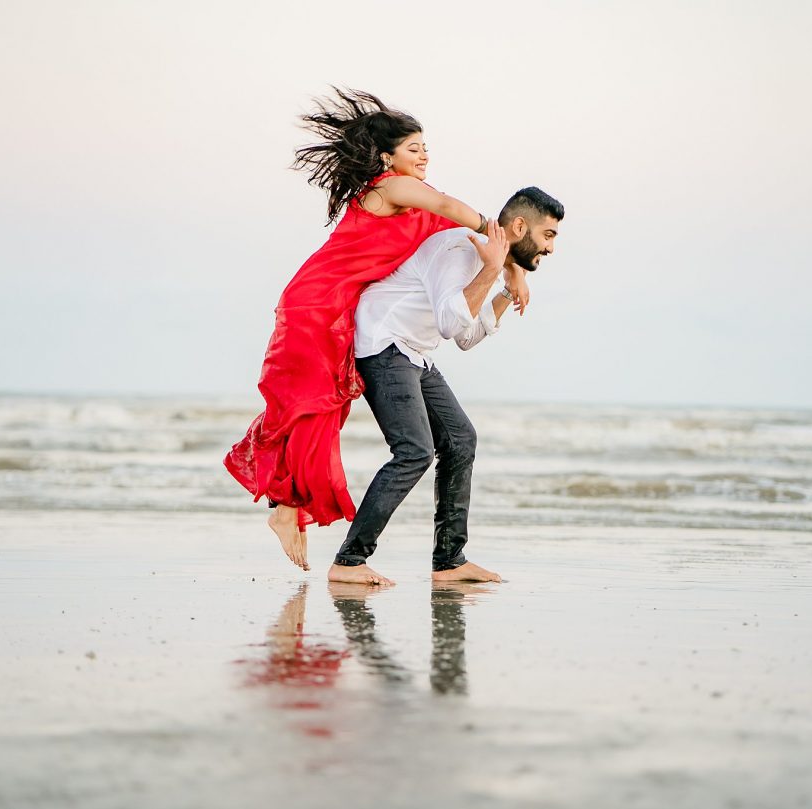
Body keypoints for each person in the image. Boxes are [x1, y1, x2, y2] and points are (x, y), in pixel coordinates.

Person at [224, 89, 531, 572]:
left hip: (350, 310)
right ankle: (306, 525)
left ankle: (438, 559)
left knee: (338, 413)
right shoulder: (390, 187)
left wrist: (508, 266)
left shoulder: (418, 210)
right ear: (388, 156)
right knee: (311, 407)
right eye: (414, 148)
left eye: (426, 147)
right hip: (317, 302)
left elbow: (459, 237)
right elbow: (452, 207)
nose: (424, 155)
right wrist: (505, 244)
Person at [327, 187, 565, 586]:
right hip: (383, 344)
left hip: (413, 352)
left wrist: (506, 288)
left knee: (460, 439)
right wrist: (495, 271)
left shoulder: (483, 259)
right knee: (414, 451)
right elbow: (450, 324)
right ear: (519, 226)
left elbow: (465, 337)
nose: (551, 248)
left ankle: (449, 562)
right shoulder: (460, 250)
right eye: (548, 235)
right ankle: (349, 561)